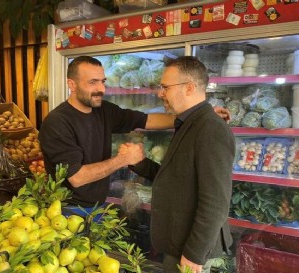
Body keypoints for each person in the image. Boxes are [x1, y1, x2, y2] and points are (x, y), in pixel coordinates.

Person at [38, 55, 230, 211]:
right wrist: (123, 159)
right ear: (71, 85)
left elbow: (147, 120)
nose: (101, 89)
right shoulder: (57, 123)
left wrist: (196, 114)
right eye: (92, 82)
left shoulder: (103, 110)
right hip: (67, 210)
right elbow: (77, 178)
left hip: (96, 206)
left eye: (103, 81)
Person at [125, 56, 235, 273]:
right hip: (179, 242)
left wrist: (193, 254)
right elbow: (177, 179)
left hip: (189, 247)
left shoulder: (210, 128)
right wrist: (140, 162)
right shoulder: (188, 123)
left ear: (189, 87)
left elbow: (216, 202)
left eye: (165, 87)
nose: (160, 93)